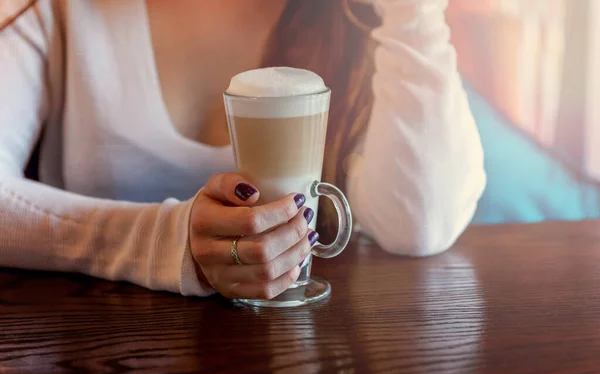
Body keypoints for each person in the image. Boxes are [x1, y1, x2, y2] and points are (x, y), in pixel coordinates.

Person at [0, 0, 485, 300]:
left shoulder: (359, 28)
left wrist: (414, 11)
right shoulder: (58, 11)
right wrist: (166, 243)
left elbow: (419, 224)